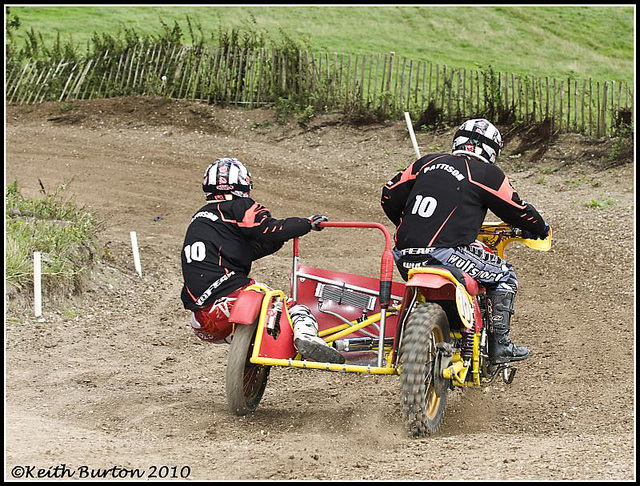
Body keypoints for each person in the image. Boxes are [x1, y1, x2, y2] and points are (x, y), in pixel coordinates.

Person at [380, 118, 549, 364]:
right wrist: (540, 228)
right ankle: (500, 346)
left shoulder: (425, 162)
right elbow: (517, 209)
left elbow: (388, 195)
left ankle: (452, 327)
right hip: (443, 253)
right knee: (503, 275)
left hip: (404, 254)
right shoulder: (485, 173)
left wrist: (409, 225)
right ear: (492, 149)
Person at [181, 157, 344, 364]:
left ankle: (250, 346)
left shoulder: (200, 218)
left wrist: (279, 240)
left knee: (260, 308)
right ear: (244, 182)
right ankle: (308, 338)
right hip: (231, 298)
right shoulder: (240, 206)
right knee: (292, 307)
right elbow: (268, 229)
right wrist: (307, 224)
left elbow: (243, 251)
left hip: (201, 318)